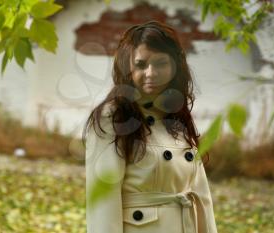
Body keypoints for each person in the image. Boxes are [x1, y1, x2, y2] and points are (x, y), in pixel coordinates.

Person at [82, 21, 218, 233]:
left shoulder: (179, 120)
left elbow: (201, 196)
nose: (151, 73)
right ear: (127, 67)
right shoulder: (114, 118)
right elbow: (103, 203)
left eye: (161, 63)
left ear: (175, 66)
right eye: (141, 64)